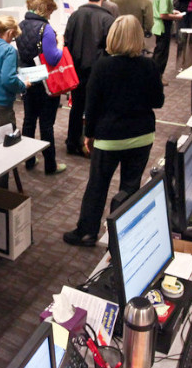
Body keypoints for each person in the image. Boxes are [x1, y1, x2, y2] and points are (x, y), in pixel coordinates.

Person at [63, 15, 164, 247]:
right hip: (142, 135)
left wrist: (88, 134)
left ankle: (87, 232)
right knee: (130, 186)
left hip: (109, 137)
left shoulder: (103, 65)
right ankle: (123, 237)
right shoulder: (149, 66)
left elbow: (92, 105)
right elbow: (158, 101)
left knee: (97, 185)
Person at [16, 0, 67, 175]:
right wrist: (60, 42)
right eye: (50, 12)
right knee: (46, 124)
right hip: (45, 82)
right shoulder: (45, 29)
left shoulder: (20, 25)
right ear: (45, 9)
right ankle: (50, 165)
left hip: (27, 78)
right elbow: (53, 59)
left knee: (29, 120)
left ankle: (29, 160)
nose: (50, 16)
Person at [63, 0, 115, 158]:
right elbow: (111, 47)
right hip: (98, 71)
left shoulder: (75, 15)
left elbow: (67, 41)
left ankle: (72, 141)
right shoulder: (107, 19)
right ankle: (93, 143)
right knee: (96, 108)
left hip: (76, 69)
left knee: (76, 107)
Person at [151, 0, 185, 75]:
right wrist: (177, 17)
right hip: (162, 25)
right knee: (161, 54)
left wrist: (172, 11)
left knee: (159, 52)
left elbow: (162, 9)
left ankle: (154, 75)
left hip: (159, 24)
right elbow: (163, 15)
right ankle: (156, 77)